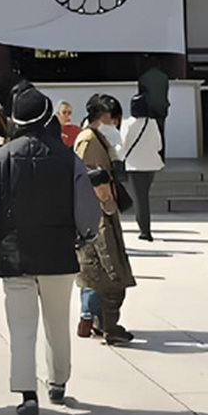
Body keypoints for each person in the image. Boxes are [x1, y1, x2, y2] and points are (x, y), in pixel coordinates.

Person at [0, 84, 99, 415]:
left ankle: (28, 394)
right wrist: (83, 235)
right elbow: (87, 213)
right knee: (58, 322)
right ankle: (58, 382)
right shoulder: (68, 158)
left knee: (21, 327)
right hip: (58, 253)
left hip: (14, 255)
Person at [73, 94, 135, 345]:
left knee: (102, 269)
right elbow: (87, 177)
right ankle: (109, 324)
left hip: (102, 210)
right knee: (110, 269)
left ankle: (100, 320)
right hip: (97, 214)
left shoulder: (96, 137)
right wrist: (105, 201)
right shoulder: (88, 140)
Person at [119, 94, 165, 243]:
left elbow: (123, 145)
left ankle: (145, 231)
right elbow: (159, 145)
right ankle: (144, 228)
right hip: (151, 164)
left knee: (140, 199)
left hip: (134, 165)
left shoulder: (127, 123)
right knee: (143, 197)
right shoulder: (152, 123)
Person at [136, 62, 172, 151]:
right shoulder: (164, 77)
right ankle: (161, 156)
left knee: (148, 133)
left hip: (148, 109)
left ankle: (150, 155)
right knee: (160, 132)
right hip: (161, 108)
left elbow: (140, 94)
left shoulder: (143, 77)